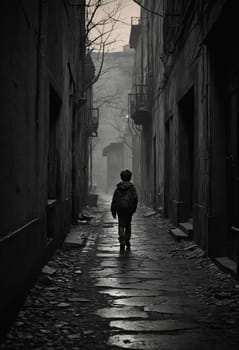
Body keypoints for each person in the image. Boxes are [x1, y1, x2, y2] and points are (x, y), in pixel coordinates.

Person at [111, 169, 138, 251]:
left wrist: (113, 211)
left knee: (121, 224)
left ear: (121, 177)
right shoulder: (132, 188)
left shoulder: (118, 188)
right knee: (128, 224)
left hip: (120, 208)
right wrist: (133, 208)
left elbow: (114, 200)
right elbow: (135, 198)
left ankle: (122, 240)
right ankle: (127, 240)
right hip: (129, 209)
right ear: (130, 177)